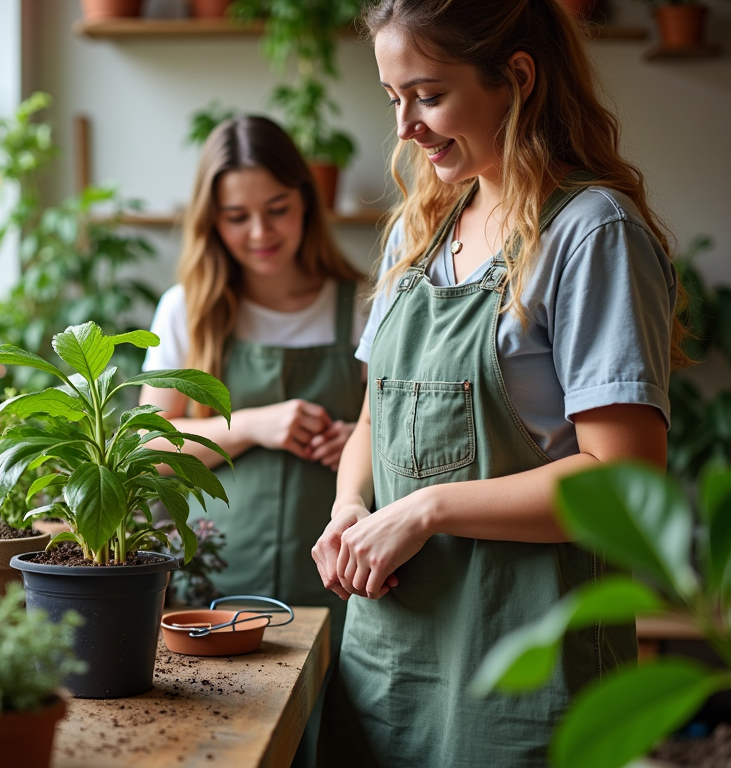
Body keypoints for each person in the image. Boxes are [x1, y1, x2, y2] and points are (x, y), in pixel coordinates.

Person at [310, 1, 685, 767]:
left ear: (516, 78)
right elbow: (376, 421)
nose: (406, 126)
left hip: (522, 669)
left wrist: (427, 509)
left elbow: (623, 481)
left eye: (429, 94)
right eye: (395, 100)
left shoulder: (590, 233)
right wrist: (353, 505)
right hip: (388, 662)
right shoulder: (421, 231)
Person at [139, 115, 367, 642]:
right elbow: (150, 450)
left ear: (306, 200)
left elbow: (399, 432)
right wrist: (250, 426)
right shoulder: (186, 311)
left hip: (342, 591)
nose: (260, 233)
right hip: (208, 595)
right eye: (237, 217)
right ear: (211, 220)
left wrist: (359, 440)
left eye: (277, 210)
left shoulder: (360, 304)